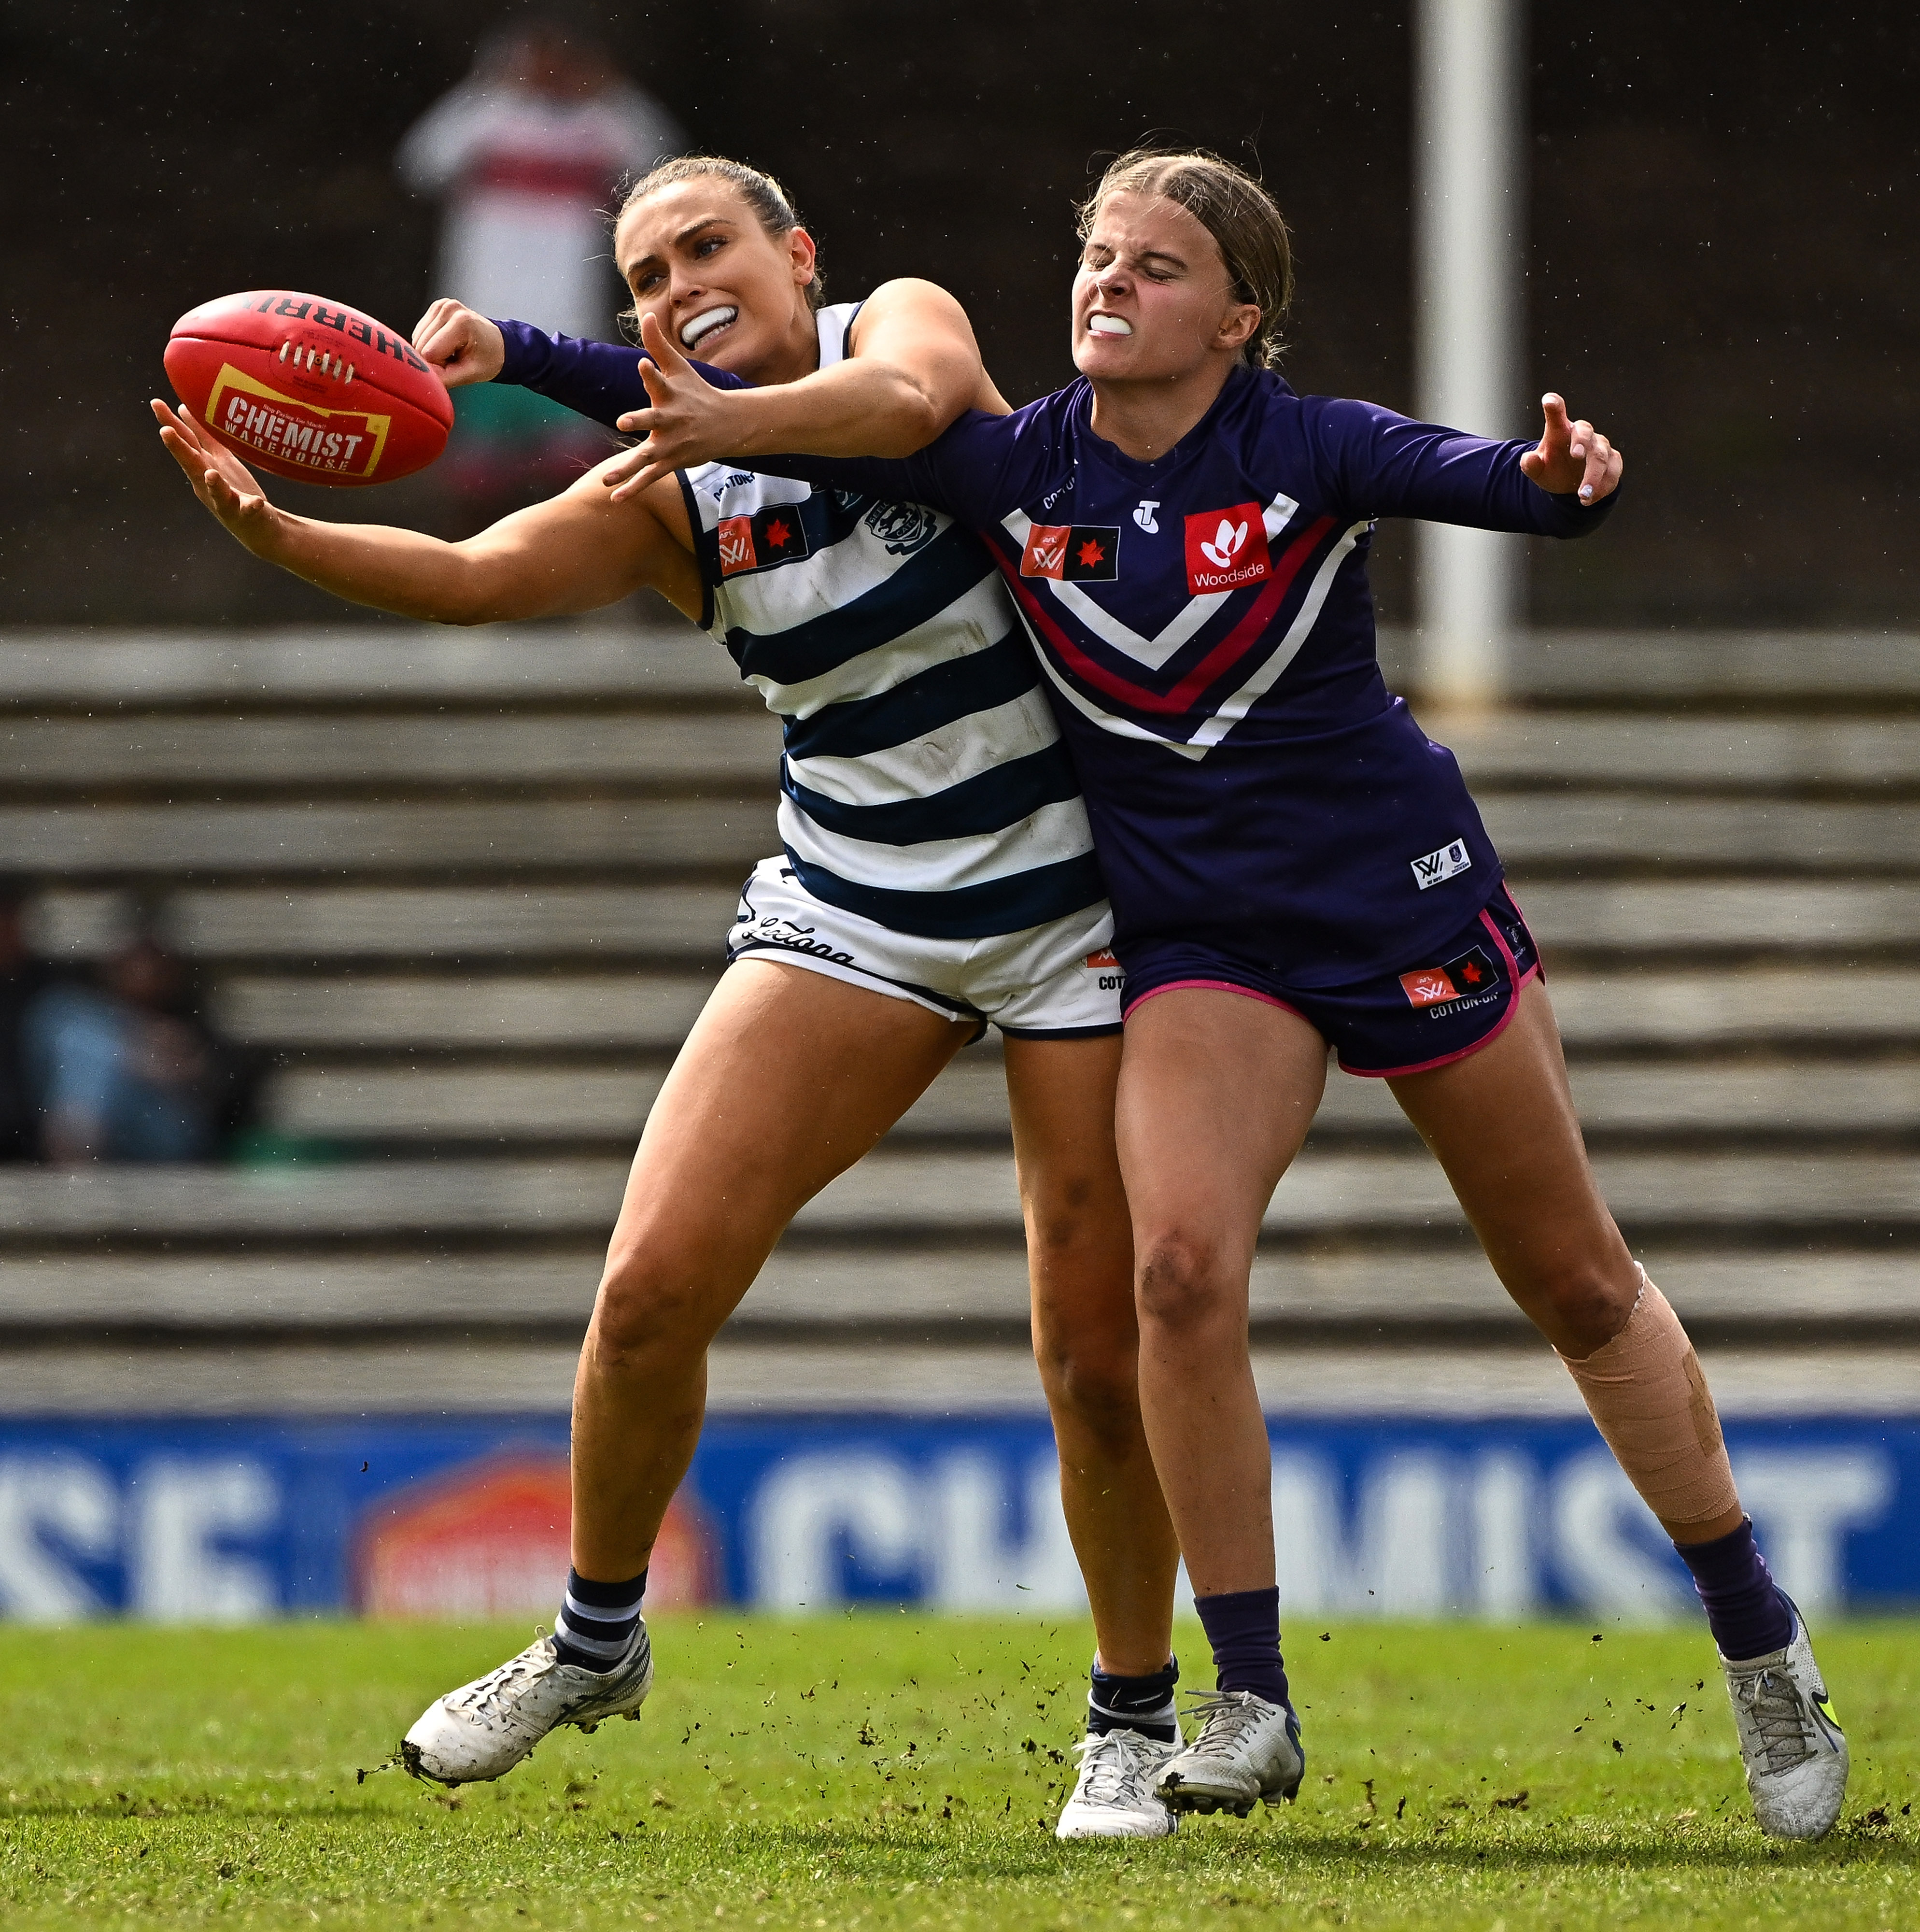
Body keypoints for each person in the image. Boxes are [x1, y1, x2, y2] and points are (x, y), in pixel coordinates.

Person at [575, 149, 1848, 1843]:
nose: (1106, 285)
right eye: (1094, 257)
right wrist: (511, 350)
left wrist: (1565, 484)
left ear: (1240, 319)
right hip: (1204, 946)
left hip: (1394, 901)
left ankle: (1757, 1644)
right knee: (1172, 1276)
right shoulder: (1008, 466)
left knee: (1570, 1279)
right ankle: (1246, 1697)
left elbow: (1490, 481)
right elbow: (748, 384)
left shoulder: (1308, 447)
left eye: (1156, 268)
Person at [155, 155, 1190, 1839]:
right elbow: (480, 577)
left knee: (1087, 1351)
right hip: (854, 907)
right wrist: (281, 533)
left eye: (706, 247)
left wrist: (713, 415)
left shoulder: (895, 332)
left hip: (1076, 911)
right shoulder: (669, 488)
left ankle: (1130, 1720)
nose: (677, 286)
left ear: (795, 255)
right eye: (642, 276)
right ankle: (593, 1640)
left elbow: (910, 397)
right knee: (644, 1294)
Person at [397, 15, 681, 522]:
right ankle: (474, 564)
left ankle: (565, 566)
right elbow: (421, 162)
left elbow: (664, 163)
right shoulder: (488, 116)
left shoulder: (602, 122)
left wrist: (611, 90)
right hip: (479, 310)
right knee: (479, 472)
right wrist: (485, 88)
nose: (549, 67)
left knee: (570, 464)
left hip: (566, 318)